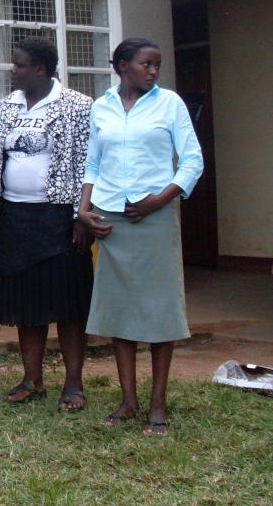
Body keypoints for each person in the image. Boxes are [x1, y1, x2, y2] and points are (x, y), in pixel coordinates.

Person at [78, 38, 203, 436]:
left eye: (157, 66)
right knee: (120, 312)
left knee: (159, 311)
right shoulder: (102, 107)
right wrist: (83, 209)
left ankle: (158, 405)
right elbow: (93, 162)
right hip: (111, 218)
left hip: (154, 217)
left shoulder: (170, 104)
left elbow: (192, 161)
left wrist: (159, 200)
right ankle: (127, 401)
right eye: (146, 65)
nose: (153, 72)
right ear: (121, 66)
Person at [0, 38, 93, 411]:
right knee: (26, 304)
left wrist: (81, 213)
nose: (12, 70)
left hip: (61, 216)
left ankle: (73, 383)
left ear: (40, 69)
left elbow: (88, 162)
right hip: (16, 218)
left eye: (18, 65)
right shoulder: (7, 107)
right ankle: (31, 379)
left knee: (68, 305)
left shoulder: (77, 106)